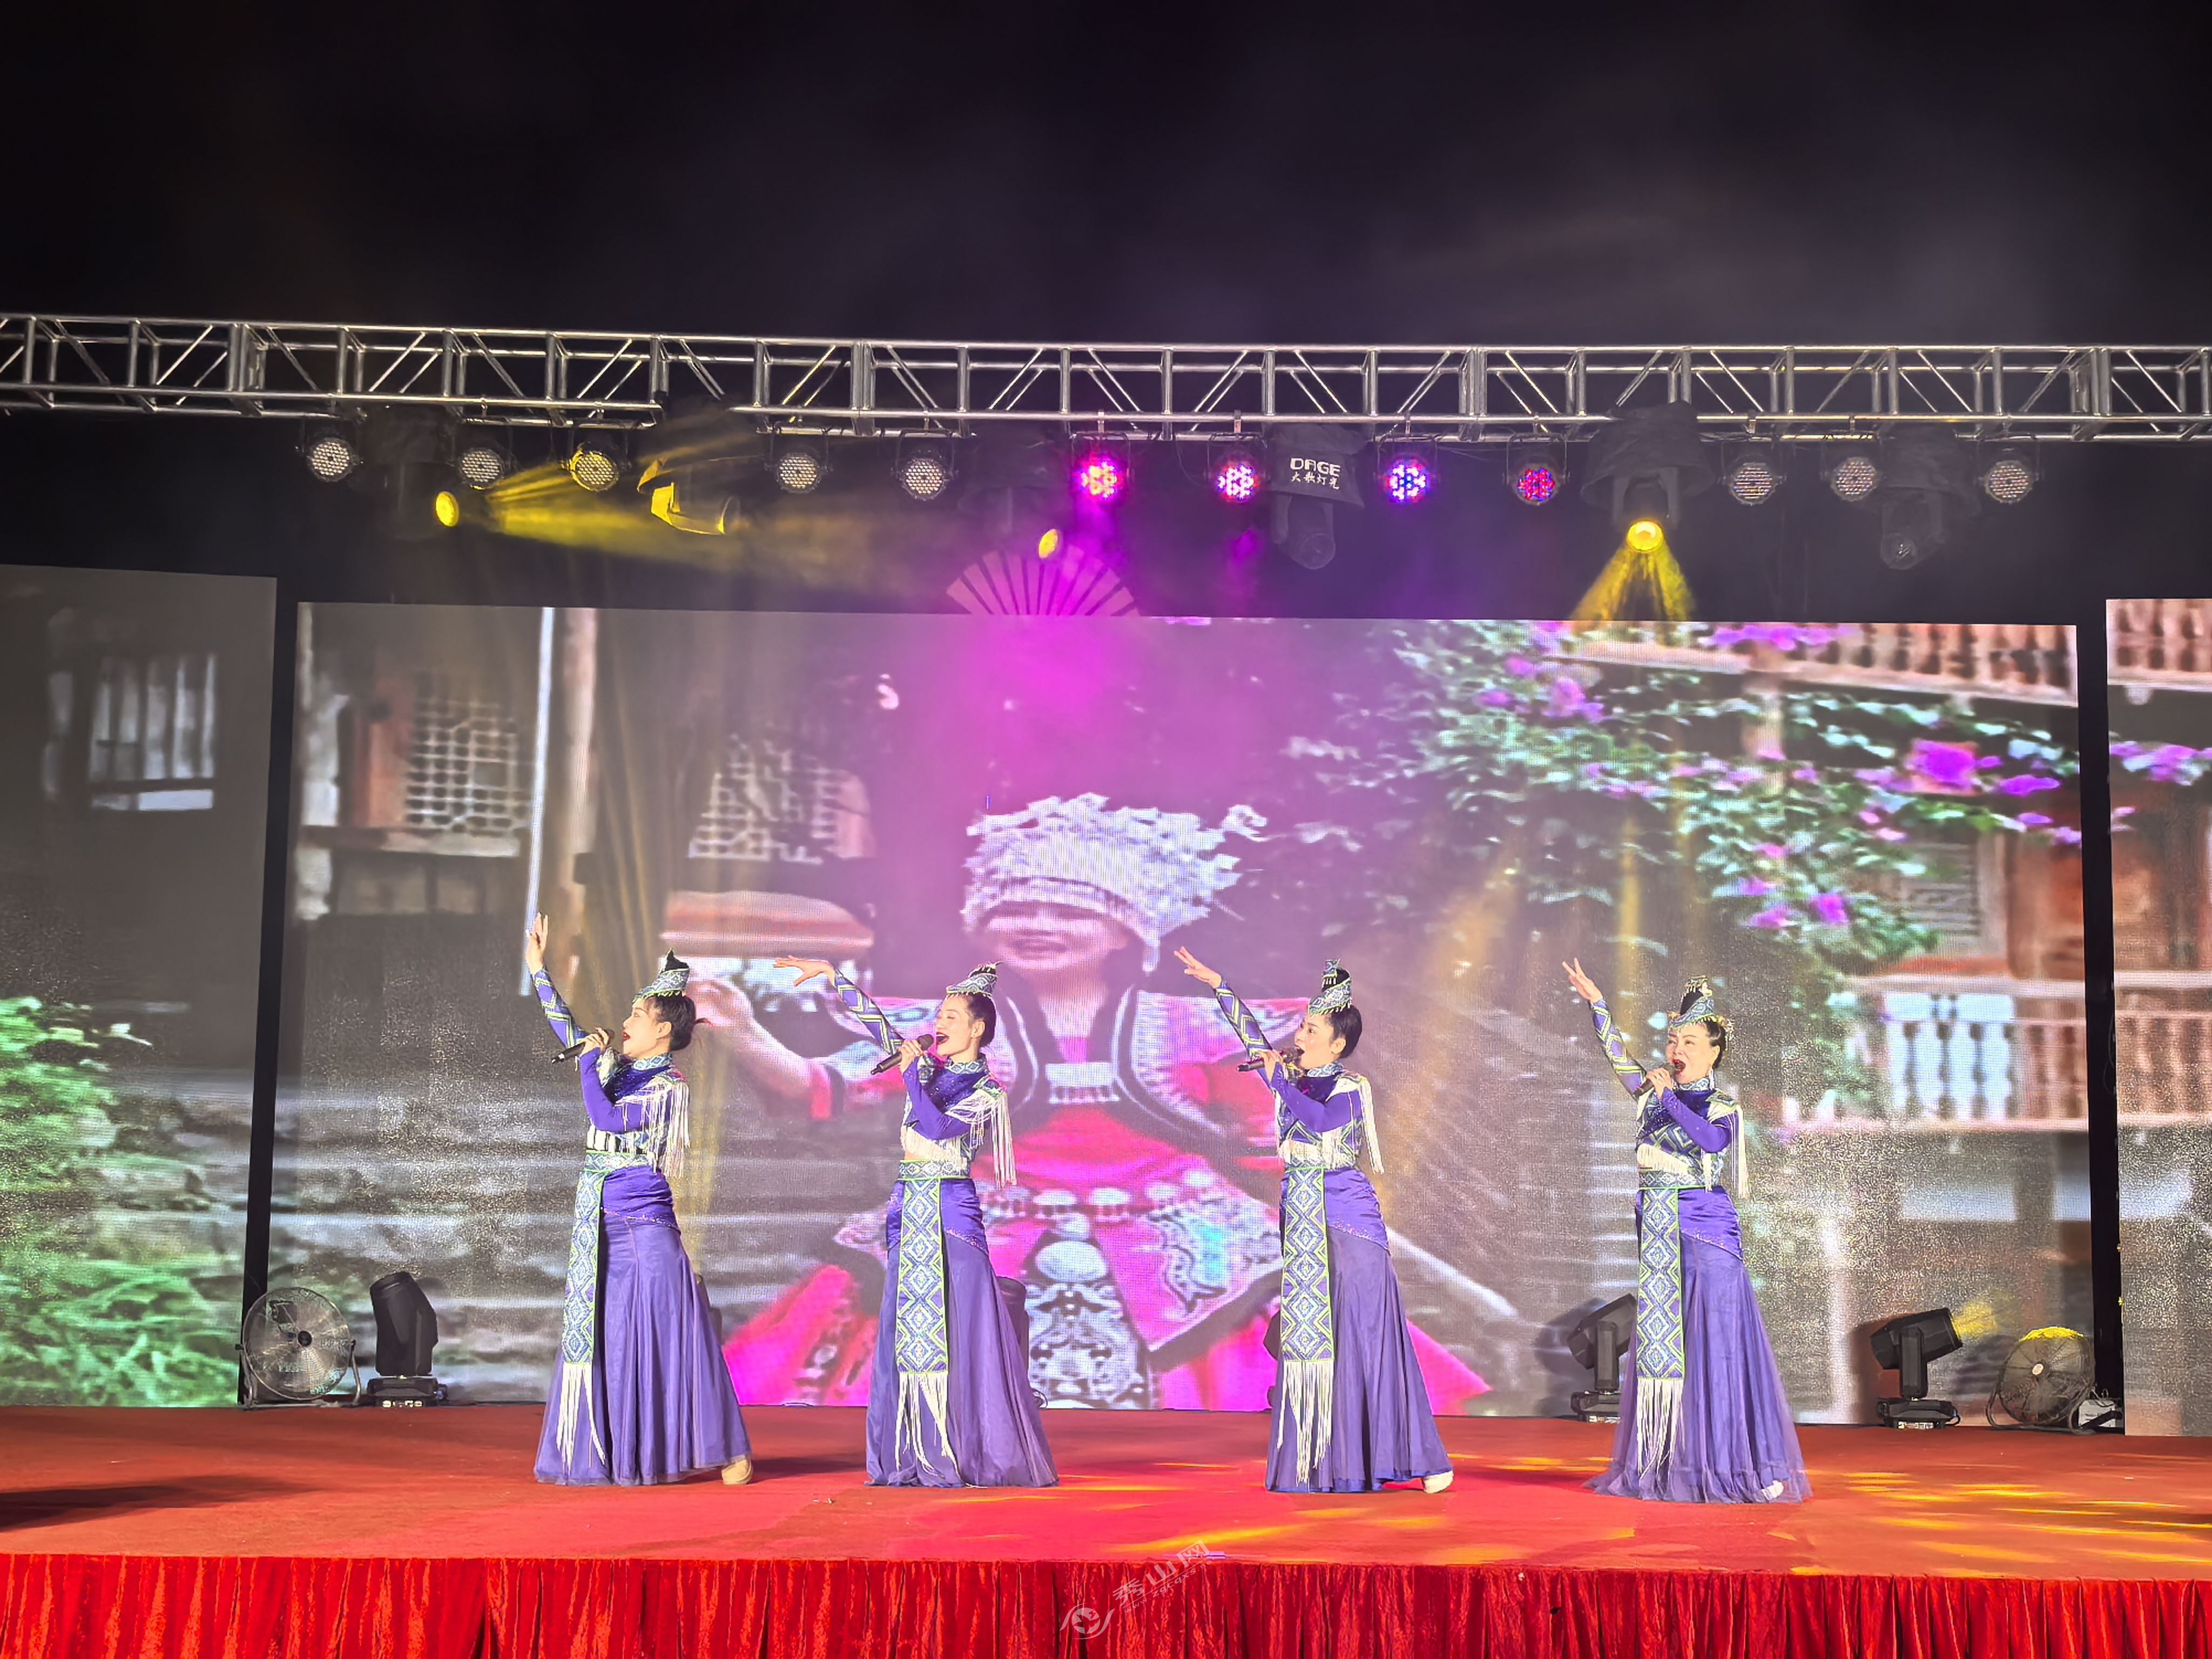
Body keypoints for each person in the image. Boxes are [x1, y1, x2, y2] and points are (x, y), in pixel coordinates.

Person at [699, 794, 1487, 1417]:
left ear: (1124, 933)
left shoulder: (1201, 1026)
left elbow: (1269, 1144)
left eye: (1071, 912)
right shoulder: (949, 1028)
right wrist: (741, 1031)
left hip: (1186, 1248)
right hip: (987, 1231)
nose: (1039, 927)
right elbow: (821, 1089)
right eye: (1016, 911)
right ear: (982, 928)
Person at [1177, 949, 1453, 1494]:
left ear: (1338, 1044)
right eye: (1301, 1026)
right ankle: (1334, 1458)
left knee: (1365, 1334)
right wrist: (1220, 985)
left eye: (1311, 1029)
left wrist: (1280, 1081)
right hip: (1302, 1213)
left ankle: (1420, 1457)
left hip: (1347, 1218)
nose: (1299, 1035)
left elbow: (1322, 1122)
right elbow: (1254, 1039)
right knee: (1319, 1341)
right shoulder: (1292, 1080)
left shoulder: (1349, 1089)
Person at [775, 956, 1057, 1487]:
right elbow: (879, 1027)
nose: (940, 1023)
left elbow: (936, 1128)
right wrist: (835, 976)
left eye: (952, 1016)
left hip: (949, 1211)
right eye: (939, 1015)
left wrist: (909, 1073)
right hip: (908, 1205)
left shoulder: (987, 1091)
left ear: (978, 1028)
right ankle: (914, 1448)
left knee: (961, 1326)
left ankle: (972, 1448)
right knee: (909, 1329)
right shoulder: (930, 1071)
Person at [1560, 960, 1809, 1504]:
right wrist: (1597, 1004)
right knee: (1672, 1353)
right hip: (1660, 1234)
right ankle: (1675, 1460)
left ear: (1714, 1052)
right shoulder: (1650, 1094)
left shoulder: (1720, 1105)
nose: (1677, 1050)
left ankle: (1743, 1467)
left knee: (1717, 1350)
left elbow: (1711, 1143)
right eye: (1673, 1040)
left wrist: (1669, 1096)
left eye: (1690, 1042)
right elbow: (1616, 1056)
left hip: (1706, 1235)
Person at [524, 914, 752, 1487]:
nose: (624, 1024)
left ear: (663, 1031)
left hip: (645, 1232)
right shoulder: (618, 1069)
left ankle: (725, 1447)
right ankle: (620, 1451)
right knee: (612, 1342)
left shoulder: (667, 1087)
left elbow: (606, 1119)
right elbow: (567, 1029)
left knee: (677, 1336)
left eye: (636, 1017)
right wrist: (539, 972)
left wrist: (588, 1064)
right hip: (601, 1228)